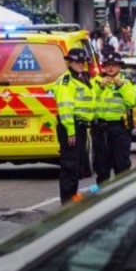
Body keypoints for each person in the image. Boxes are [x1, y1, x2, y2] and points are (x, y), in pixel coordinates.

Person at [53, 48, 95, 204]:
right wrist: (71, 131)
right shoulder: (67, 81)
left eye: (82, 62)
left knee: (76, 167)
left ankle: (72, 201)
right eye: (77, 62)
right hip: (71, 128)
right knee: (69, 167)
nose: (80, 65)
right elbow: (65, 108)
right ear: (69, 62)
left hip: (81, 127)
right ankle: (67, 204)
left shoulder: (82, 78)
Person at [91, 52, 136, 184]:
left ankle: (122, 198)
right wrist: (100, 87)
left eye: (114, 65)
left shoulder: (127, 83)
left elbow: (133, 101)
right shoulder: (95, 82)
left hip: (119, 129)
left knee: (122, 167)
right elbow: (88, 100)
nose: (111, 68)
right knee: (102, 169)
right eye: (108, 65)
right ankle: (102, 200)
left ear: (119, 67)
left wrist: (121, 87)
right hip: (100, 130)